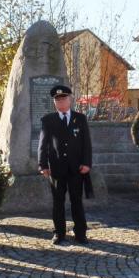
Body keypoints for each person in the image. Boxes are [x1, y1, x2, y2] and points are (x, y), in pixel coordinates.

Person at [38, 85, 92, 245]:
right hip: (56, 169)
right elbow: (43, 144)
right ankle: (59, 233)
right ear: (54, 102)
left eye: (64, 99)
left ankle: (80, 232)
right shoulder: (48, 120)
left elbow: (86, 143)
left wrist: (87, 163)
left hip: (76, 168)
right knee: (58, 202)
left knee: (77, 201)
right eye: (57, 100)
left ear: (70, 99)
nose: (61, 102)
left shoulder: (80, 118)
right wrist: (43, 165)